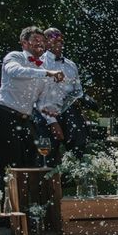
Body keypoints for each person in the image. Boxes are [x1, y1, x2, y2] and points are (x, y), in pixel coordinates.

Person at [0, 26, 64, 171]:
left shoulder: (42, 69)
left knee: (33, 159)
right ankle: (6, 193)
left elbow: (41, 101)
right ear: (24, 42)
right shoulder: (15, 56)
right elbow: (15, 71)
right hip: (3, 115)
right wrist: (47, 73)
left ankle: (28, 193)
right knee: (13, 164)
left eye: (42, 40)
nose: (40, 43)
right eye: (36, 39)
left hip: (24, 119)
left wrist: (53, 121)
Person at [33, 27, 88, 166]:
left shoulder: (71, 65)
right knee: (46, 156)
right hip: (44, 117)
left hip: (67, 113)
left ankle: (79, 181)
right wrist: (53, 122)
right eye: (54, 36)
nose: (59, 39)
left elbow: (77, 92)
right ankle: (45, 185)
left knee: (79, 149)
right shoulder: (39, 63)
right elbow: (38, 99)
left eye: (60, 37)